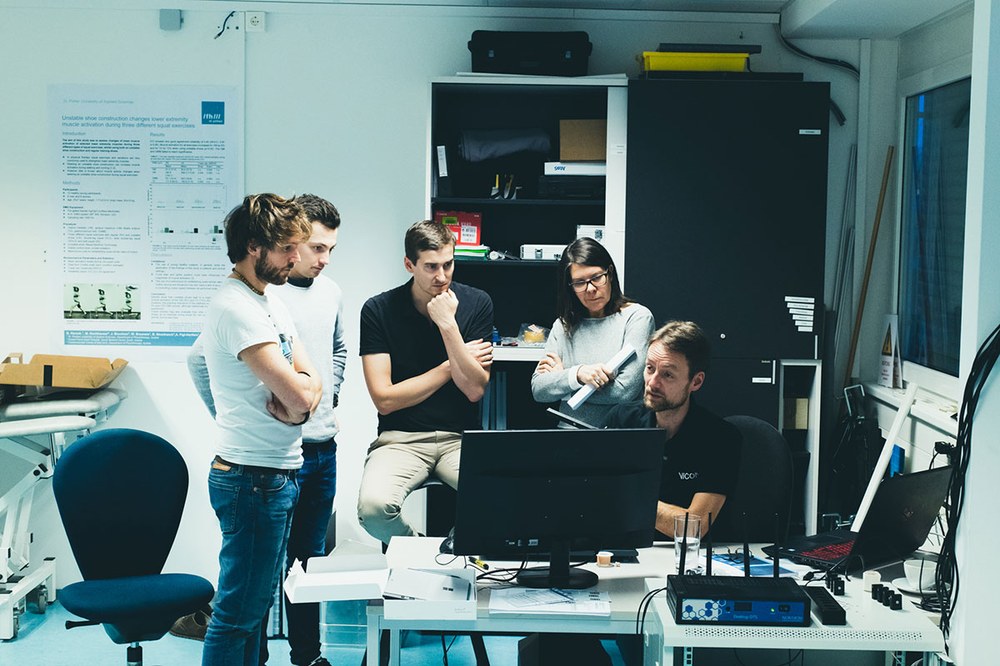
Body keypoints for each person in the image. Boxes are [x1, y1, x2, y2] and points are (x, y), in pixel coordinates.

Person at [188, 194, 344, 666]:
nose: (297, 258)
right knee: (237, 615)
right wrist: (301, 398)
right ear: (255, 247)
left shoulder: (268, 299)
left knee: (253, 613)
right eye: (288, 249)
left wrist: (302, 398)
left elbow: (312, 380)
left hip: (274, 474)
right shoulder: (235, 308)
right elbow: (301, 396)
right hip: (252, 478)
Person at [357, 219, 494, 544]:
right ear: (409, 265)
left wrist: (448, 325)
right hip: (399, 439)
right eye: (431, 267)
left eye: (448, 264)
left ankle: (459, 550)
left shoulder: (476, 303)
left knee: (506, 498)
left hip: (459, 439)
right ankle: (417, 550)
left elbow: (474, 390)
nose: (442, 276)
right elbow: (385, 399)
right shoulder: (378, 310)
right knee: (373, 509)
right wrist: (452, 364)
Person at [605, 320, 742, 537]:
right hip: (627, 553)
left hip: (689, 558)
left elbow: (693, 527)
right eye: (650, 368)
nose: (652, 383)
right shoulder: (622, 420)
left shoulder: (721, 438)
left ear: (695, 382)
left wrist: (627, 495)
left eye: (667, 375)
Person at [530, 237, 654, 427]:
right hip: (568, 436)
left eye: (597, 277)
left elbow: (625, 392)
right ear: (570, 287)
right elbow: (539, 389)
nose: (590, 289)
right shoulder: (563, 326)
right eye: (579, 282)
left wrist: (565, 387)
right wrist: (577, 374)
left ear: (610, 273)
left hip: (618, 437)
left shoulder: (637, 318)